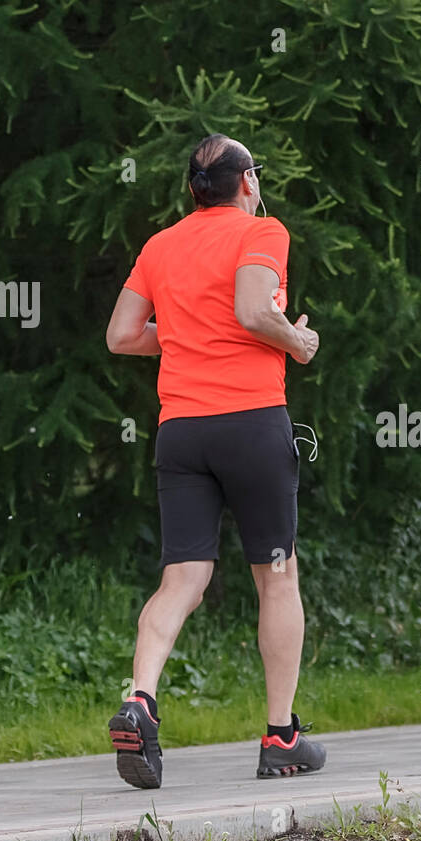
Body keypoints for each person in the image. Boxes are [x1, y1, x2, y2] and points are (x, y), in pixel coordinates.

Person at [103, 133, 325, 787]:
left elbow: (121, 335)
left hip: (182, 431)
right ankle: (281, 737)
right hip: (252, 423)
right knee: (277, 574)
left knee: (183, 580)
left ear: (191, 191)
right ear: (247, 183)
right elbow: (255, 310)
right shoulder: (263, 232)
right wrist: (299, 341)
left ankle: (139, 699)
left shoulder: (159, 246)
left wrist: (183, 336)